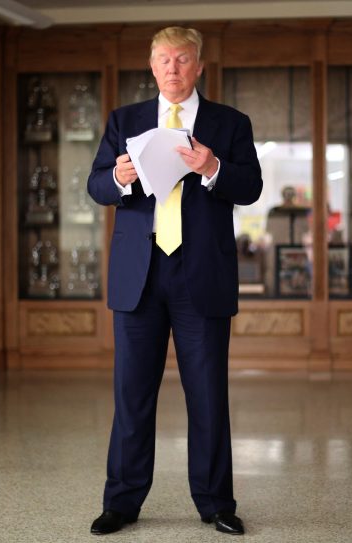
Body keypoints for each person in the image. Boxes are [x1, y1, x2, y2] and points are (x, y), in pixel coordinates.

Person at [87, 26, 262, 536]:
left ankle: (215, 504)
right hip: (138, 275)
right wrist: (119, 177)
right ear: (151, 65)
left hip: (199, 273)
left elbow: (249, 186)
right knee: (132, 395)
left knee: (207, 394)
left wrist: (213, 167)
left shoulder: (230, 124)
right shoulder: (125, 121)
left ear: (199, 66)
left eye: (183, 60)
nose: (173, 68)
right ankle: (121, 501)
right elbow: (96, 184)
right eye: (163, 59)